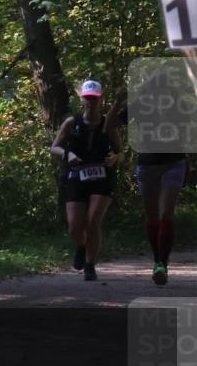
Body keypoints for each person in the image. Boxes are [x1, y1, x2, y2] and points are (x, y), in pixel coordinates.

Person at [108, 91, 189, 285]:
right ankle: (157, 259)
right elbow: (110, 125)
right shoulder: (140, 106)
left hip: (174, 163)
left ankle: (162, 264)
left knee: (165, 214)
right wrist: (118, 101)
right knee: (153, 217)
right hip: (147, 166)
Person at [50, 80, 124, 282]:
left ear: (101, 98)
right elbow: (54, 147)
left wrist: (115, 158)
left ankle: (90, 265)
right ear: (82, 99)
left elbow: (121, 152)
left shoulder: (108, 124)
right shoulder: (71, 122)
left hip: (102, 178)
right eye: (88, 98)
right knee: (75, 227)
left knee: (93, 222)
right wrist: (68, 154)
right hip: (77, 177)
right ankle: (82, 247)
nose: (91, 102)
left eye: (95, 98)